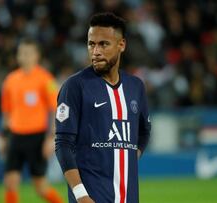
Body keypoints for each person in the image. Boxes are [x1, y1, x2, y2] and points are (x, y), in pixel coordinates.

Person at [55, 12, 151, 203]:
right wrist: (80, 194)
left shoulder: (136, 87)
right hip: (90, 198)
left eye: (103, 44)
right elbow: (63, 145)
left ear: (121, 45)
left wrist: (128, 158)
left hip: (128, 197)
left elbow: (144, 131)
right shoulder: (74, 86)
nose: (95, 51)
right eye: (91, 44)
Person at [0, 38, 64, 203]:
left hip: (36, 137)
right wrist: (3, 138)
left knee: (41, 188)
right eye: (21, 53)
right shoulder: (10, 80)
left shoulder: (45, 79)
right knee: (10, 182)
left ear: (37, 56)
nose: (24, 56)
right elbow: (6, 112)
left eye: (28, 53)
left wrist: (51, 138)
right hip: (15, 136)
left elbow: (55, 110)